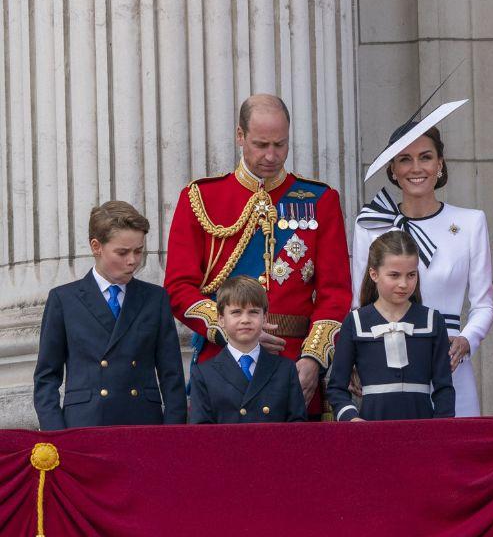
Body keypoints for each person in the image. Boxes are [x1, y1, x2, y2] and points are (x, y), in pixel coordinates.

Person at [164, 94, 352, 419]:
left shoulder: (320, 200)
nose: (271, 155)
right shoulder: (202, 198)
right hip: (222, 363)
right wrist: (232, 330)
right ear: (240, 136)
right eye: (261, 144)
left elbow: (335, 292)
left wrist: (313, 359)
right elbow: (179, 287)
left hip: (294, 364)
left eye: (280, 145)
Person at [353, 105, 493, 417]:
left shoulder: (471, 222)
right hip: (388, 363)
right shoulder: (372, 224)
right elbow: (359, 304)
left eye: (425, 157)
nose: (416, 167)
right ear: (392, 168)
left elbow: (483, 304)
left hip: (450, 360)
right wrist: (357, 360)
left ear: (440, 164)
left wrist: (466, 341)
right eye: (405, 158)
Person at [33, 201, 186, 430]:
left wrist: (173, 433)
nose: (132, 260)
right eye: (122, 252)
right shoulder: (64, 300)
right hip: (85, 425)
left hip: (143, 423)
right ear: (96, 246)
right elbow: (46, 377)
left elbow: (172, 375)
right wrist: (56, 435)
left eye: (138, 251)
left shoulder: (155, 299)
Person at [329, 230, 455, 421]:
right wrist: (351, 419)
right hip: (371, 431)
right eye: (394, 275)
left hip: (423, 432)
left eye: (411, 275)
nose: (404, 284)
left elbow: (444, 388)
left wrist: (440, 429)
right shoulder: (354, 322)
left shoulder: (432, 320)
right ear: (374, 274)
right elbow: (337, 388)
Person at [188, 277, 306, 423]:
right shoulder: (203, 374)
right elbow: (201, 433)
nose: (245, 319)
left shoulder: (285, 370)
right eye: (236, 312)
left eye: (253, 312)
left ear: (265, 318)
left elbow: (297, 428)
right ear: (221, 319)